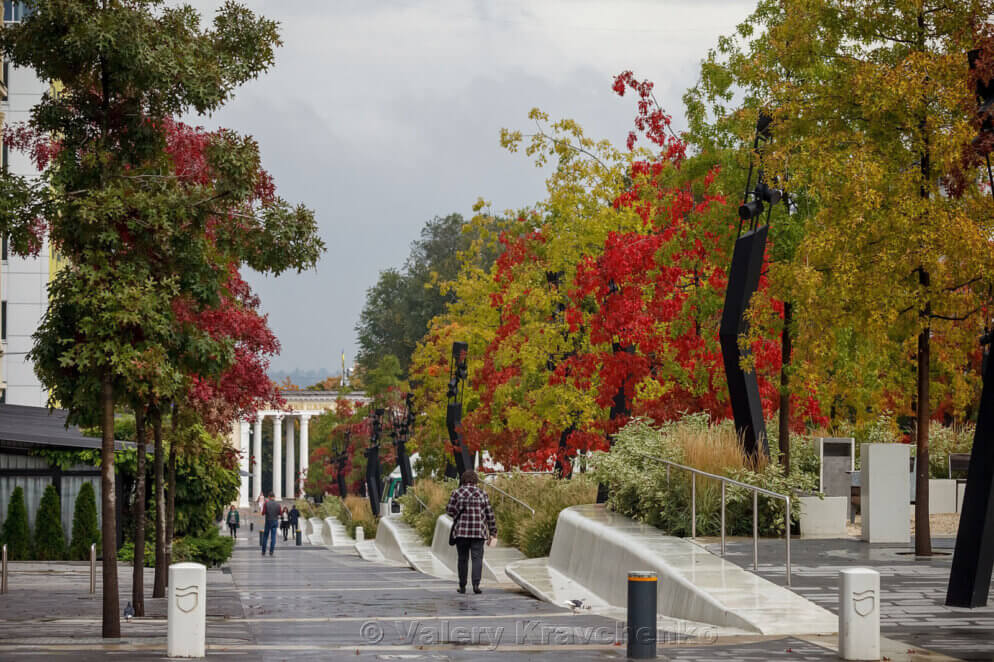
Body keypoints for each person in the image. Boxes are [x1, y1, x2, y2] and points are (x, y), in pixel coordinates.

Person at [445, 470, 497, 594]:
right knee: (477, 558)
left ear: (463, 480)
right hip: (478, 532)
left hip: (461, 533)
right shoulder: (482, 494)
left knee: (462, 559)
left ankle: (462, 586)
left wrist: (458, 514)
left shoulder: (456, 493)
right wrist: (493, 530)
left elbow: (449, 510)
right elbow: (489, 514)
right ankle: (476, 585)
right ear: (475, 480)